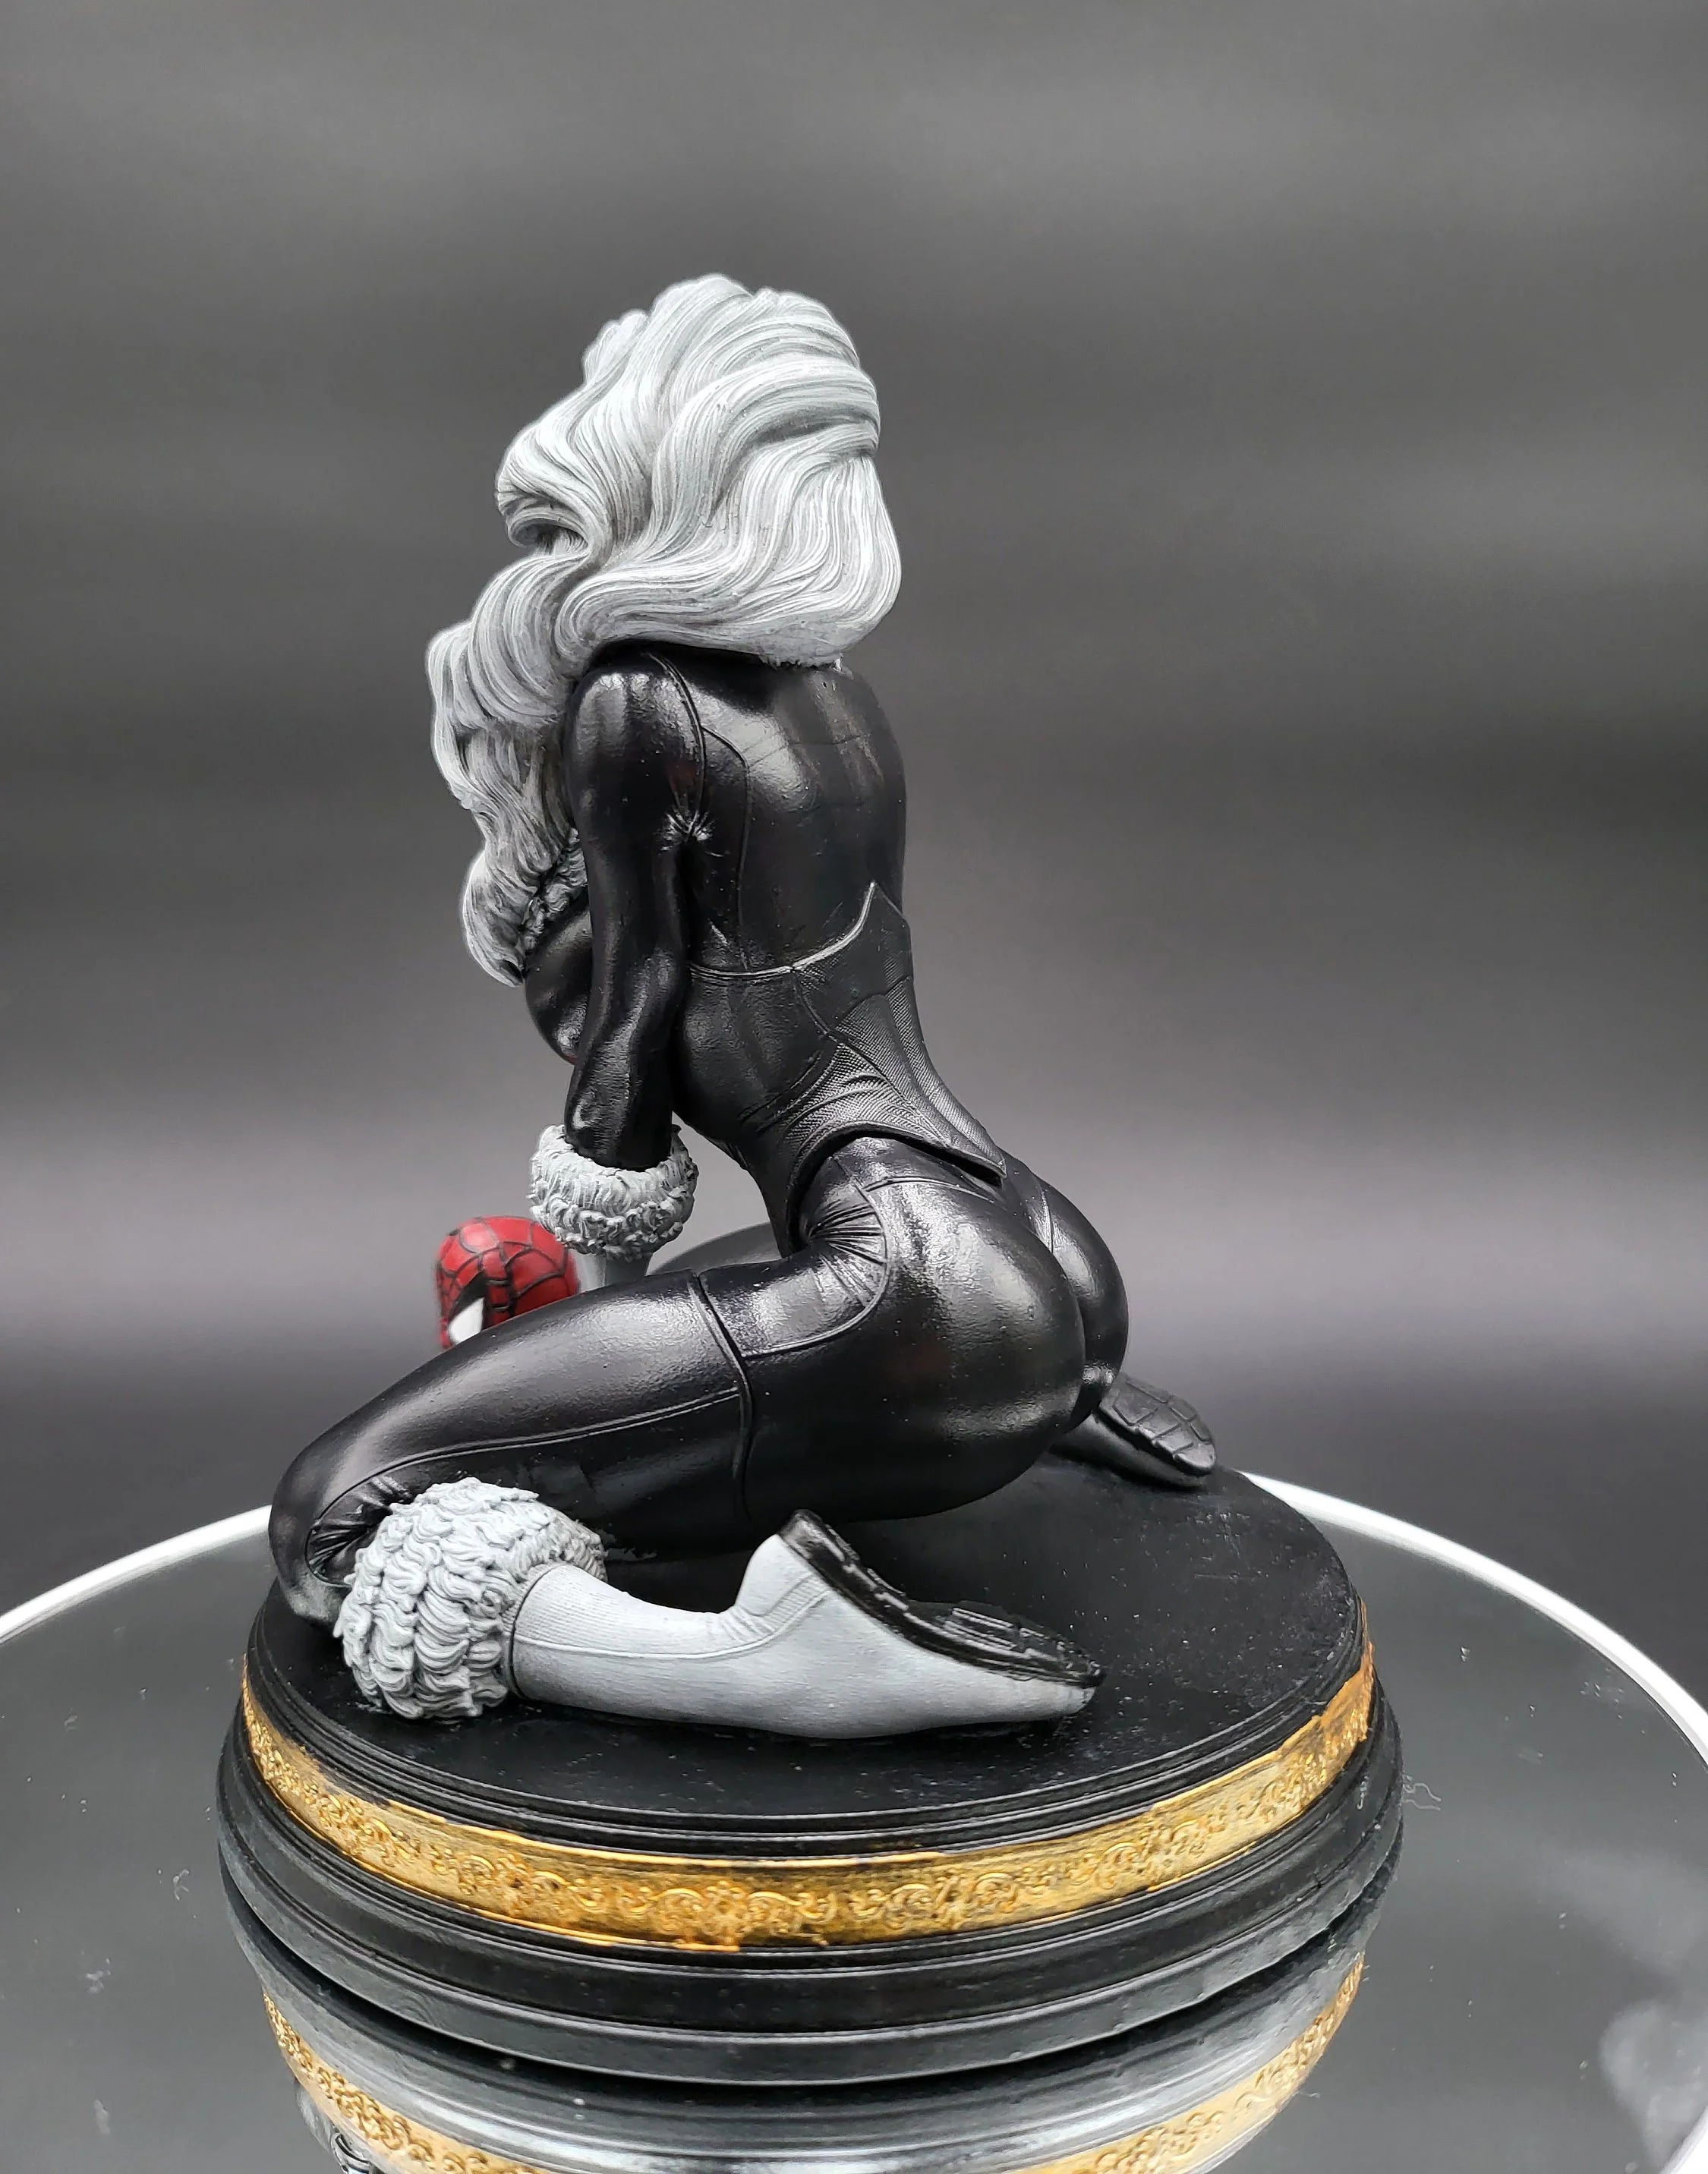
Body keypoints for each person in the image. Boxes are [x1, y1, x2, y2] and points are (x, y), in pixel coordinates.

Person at [269, 276, 1212, 1734]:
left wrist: (592, 1288)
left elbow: (634, 1032)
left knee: (331, 1513)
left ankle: (772, 1656)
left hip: (914, 1306)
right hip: (1037, 1251)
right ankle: (1045, 1405)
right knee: (645, 1361)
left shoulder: (635, 701)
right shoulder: (836, 698)